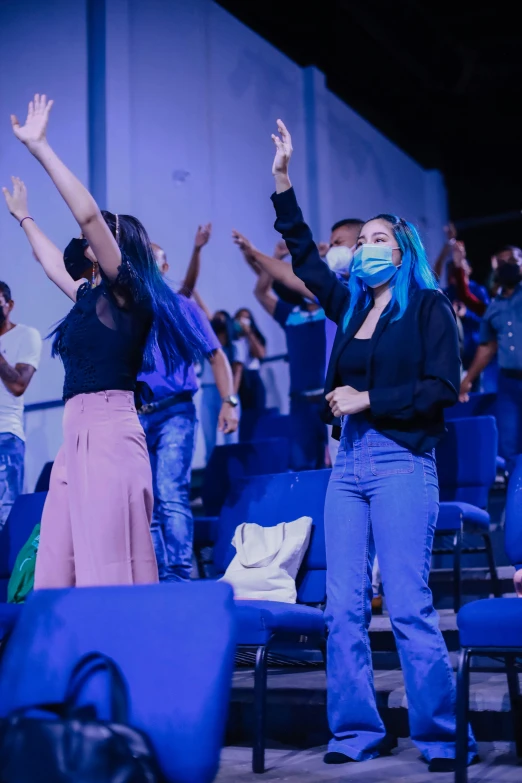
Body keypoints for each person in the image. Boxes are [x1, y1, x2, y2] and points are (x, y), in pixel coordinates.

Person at [269, 119, 477, 771]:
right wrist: (282, 183)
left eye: (378, 239)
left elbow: (444, 386)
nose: (365, 248)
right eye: (361, 241)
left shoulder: (428, 307)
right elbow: (304, 257)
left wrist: (368, 400)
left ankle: (443, 735)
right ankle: (356, 731)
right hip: (349, 466)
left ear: (403, 248)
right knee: (344, 609)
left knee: (410, 607)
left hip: (400, 462)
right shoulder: (352, 305)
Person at [2, 94, 209, 587]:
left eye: (99, 236)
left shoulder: (128, 295)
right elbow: (52, 263)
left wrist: (42, 148)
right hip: (74, 436)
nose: (86, 239)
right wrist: (24, 218)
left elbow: (89, 218)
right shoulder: (88, 296)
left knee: (109, 566)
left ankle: (124, 656)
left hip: (112, 432)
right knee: (60, 560)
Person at [138, 234, 239, 582]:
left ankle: (179, 576)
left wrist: (229, 401)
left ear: (165, 268)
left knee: (169, 492)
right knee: (145, 502)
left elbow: (217, 355)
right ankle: (156, 575)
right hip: (134, 414)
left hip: (175, 412)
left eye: (153, 259)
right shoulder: (126, 309)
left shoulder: (183, 307)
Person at [460, 253, 522, 476]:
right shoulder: (493, 307)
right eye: (502, 263)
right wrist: (467, 380)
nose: (508, 267)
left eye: (513, 262)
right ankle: (517, 503)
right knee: (510, 447)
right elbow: (487, 347)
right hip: (509, 383)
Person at [0, 281, 42, 526]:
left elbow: (18, 386)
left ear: (10, 304)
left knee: (5, 516)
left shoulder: (25, 335)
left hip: (5, 436)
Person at [193, 295, 243, 460]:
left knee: (231, 440)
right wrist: (195, 293)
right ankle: (213, 479)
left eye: (221, 319)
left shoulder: (233, 346)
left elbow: (237, 372)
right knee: (209, 441)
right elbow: (207, 316)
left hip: (228, 394)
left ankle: (234, 479)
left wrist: (230, 399)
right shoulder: (208, 343)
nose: (217, 321)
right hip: (208, 391)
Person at [233, 308, 267, 439]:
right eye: (240, 318)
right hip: (238, 381)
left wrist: (249, 333)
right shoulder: (232, 341)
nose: (242, 321)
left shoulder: (255, 338)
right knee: (243, 419)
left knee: (258, 417)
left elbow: (261, 354)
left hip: (253, 379)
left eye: (246, 318)